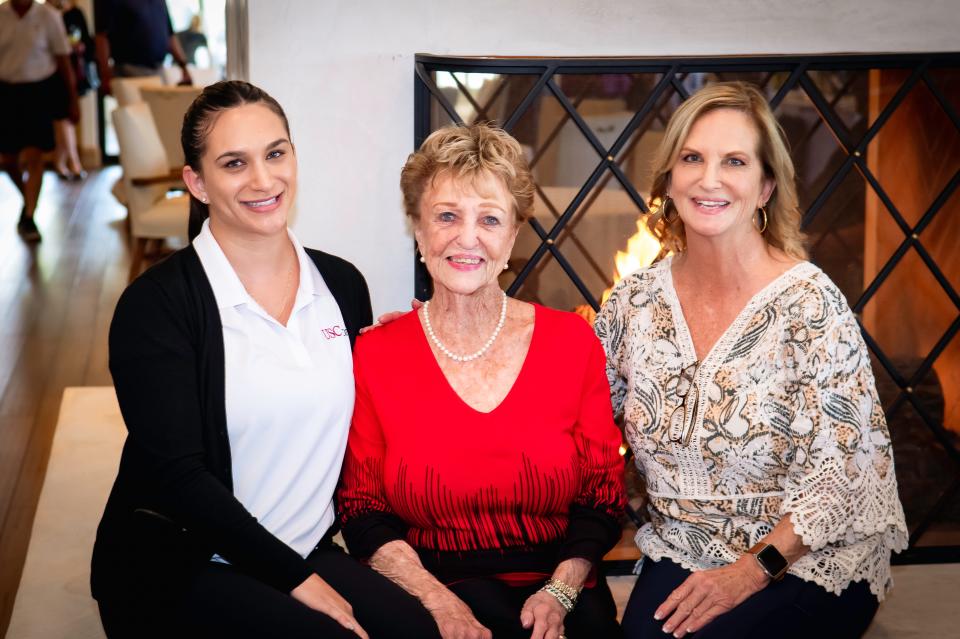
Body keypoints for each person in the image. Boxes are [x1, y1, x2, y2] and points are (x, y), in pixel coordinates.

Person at [91, 80, 439, 639]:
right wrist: (297, 580)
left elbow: (355, 425)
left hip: (302, 547)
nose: (262, 179)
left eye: (275, 153)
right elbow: (179, 477)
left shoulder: (342, 285)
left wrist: (403, 353)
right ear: (197, 183)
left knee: (417, 633)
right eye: (234, 163)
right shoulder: (156, 307)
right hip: (184, 563)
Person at [594, 82, 909, 638]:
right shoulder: (632, 302)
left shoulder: (809, 303)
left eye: (734, 161)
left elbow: (846, 476)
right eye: (692, 158)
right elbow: (578, 411)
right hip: (683, 545)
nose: (709, 178)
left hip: (808, 555)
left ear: (765, 187)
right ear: (669, 179)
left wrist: (747, 573)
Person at [337, 123, 626, 639]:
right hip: (429, 585)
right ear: (418, 231)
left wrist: (560, 592)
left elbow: (602, 500)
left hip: (559, 581)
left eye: (489, 219)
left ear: (513, 235)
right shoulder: (376, 354)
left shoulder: (571, 342)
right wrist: (437, 602)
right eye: (446, 216)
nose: (466, 238)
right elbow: (362, 511)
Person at [0, 0, 78, 242]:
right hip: (6, 93)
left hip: (39, 93)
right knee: (7, 160)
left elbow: (64, 60)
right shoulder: (1, 15)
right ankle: (28, 200)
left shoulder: (47, 15)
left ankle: (29, 216)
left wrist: (72, 100)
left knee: (34, 157)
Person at [93, 0, 192, 95]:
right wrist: (105, 74)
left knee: (163, 110)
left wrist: (183, 66)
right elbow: (102, 36)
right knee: (138, 111)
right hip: (130, 70)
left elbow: (169, 35)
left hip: (159, 70)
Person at [48, 0, 93, 180]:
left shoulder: (76, 14)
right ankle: (74, 163)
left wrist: (80, 47)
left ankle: (59, 161)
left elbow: (88, 42)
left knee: (66, 119)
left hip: (74, 71)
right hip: (53, 73)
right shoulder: (47, 14)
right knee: (64, 118)